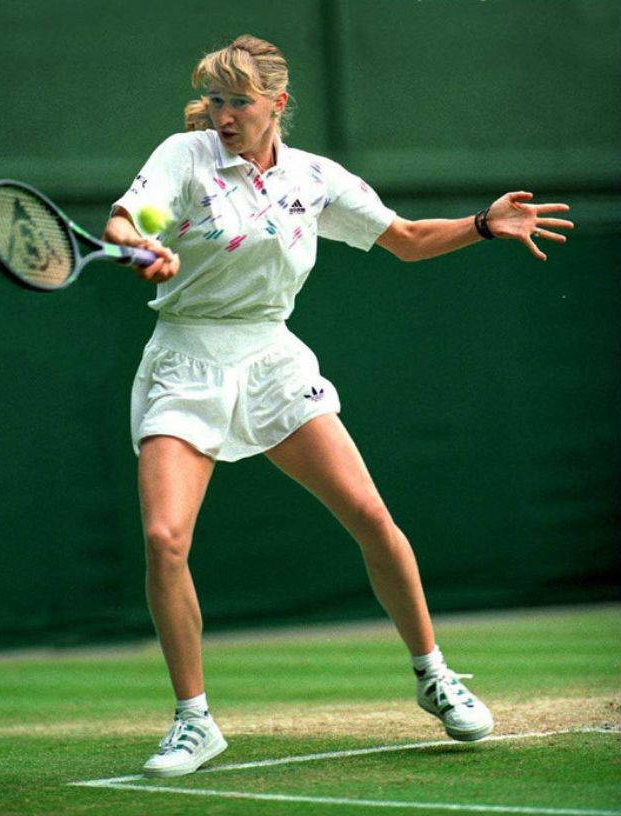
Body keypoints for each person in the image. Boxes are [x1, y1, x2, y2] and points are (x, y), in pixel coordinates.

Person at [103, 34, 573, 779]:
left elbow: (410, 240)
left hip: (271, 361)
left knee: (369, 514)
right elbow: (137, 220)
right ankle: (194, 722)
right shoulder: (184, 157)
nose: (224, 114)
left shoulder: (314, 180)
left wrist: (483, 225)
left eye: (240, 102)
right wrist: (140, 244)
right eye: (216, 100)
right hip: (185, 360)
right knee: (164, 539)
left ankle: (435, 676)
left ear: (277, 105)